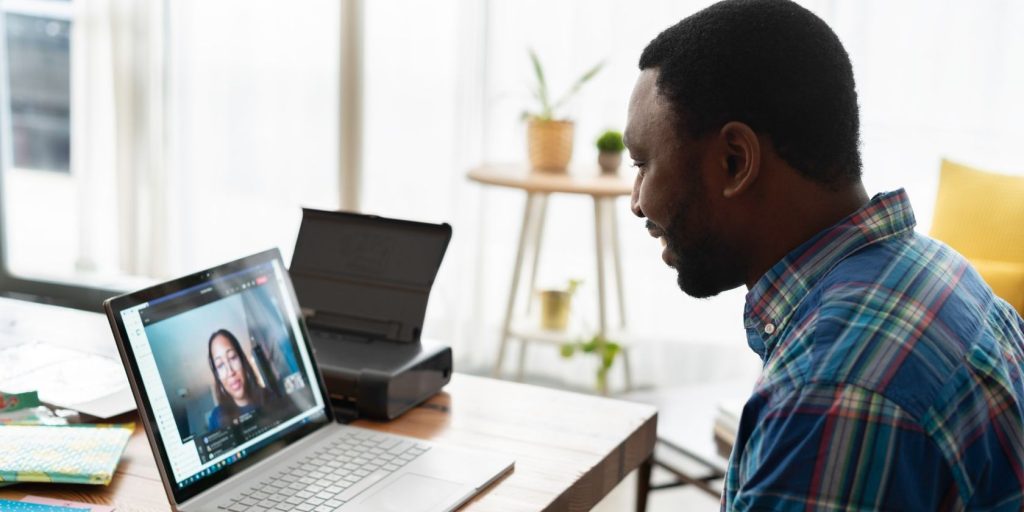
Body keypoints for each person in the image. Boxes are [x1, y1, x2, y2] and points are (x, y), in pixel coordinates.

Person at [625, 0, 1024, 509]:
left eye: (643, 163)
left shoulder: (829, 390)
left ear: (734, 161)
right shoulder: (941, 272)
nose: (637, 202)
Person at [206, 328, 273, 431]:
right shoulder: (216, 419)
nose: (230, 372)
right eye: (220, 365)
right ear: (217, 376)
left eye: (232, 357)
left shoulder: (270, 397)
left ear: (243, 360)